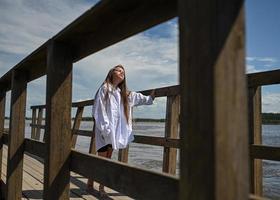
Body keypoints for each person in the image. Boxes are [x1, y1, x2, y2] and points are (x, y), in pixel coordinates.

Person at [87, 64, 155, 197]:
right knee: (102, 160)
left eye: (123, 72)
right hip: (104, 131)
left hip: (113, 133)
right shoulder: (105, 89)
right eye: (118, 70)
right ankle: (96, 188)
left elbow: (136, 98)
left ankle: (98, 186)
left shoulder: (121, 93)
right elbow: (99, 110)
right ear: (111, 73)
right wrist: (105, 129)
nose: (121, 73)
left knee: (108, 158)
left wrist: (150, 98)